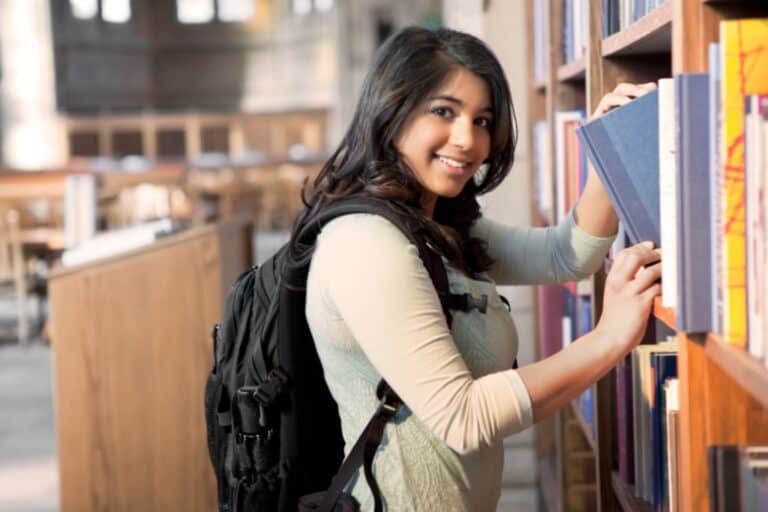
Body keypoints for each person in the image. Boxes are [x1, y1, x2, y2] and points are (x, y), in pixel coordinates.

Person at [293, 26, 661, 511]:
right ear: (391, 110)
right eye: (444, 112)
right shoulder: (366, 243)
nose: (468, 139)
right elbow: (462, 418)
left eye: (483, 120)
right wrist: (609, 339)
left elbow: (566, 255)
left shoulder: (436, 226)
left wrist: (606, 155)